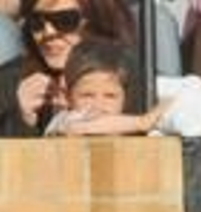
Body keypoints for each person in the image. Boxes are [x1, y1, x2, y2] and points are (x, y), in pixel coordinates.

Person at [0, 0, 175, 136]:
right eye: (37, 22)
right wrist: (20, 119)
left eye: (64, 20)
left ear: (95, 21)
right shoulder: (11, 80)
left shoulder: (133, 76)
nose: (48, 32)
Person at [43, 36, 170, 134]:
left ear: (125, 98)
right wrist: (141, 122)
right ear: (68, 97)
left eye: (110, 96)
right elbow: (82, 127)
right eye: (87, 95)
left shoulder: (125, 123)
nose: (99, 105)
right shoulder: (63, 120)